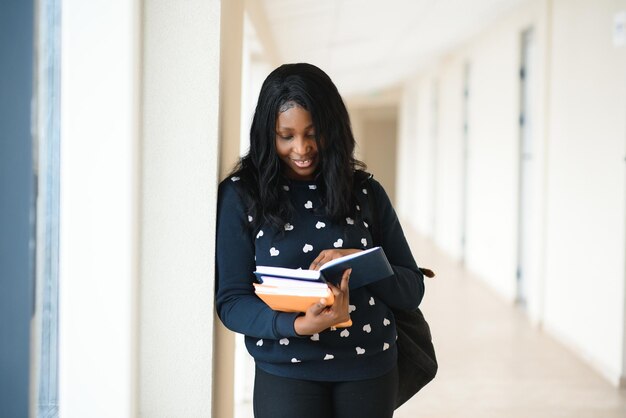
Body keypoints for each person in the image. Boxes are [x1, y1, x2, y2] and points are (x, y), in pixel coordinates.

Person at [216, 63, 425, 418]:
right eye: (287, 136)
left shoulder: (365, 192)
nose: (302, 148)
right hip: (285, 369)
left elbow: (411, 290)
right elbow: (232, 302)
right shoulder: (241, 196)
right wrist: (296, 326)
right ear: (268, 134)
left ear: (333, 127)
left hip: (370, 367)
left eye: (313, 133)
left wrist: (360, 261)